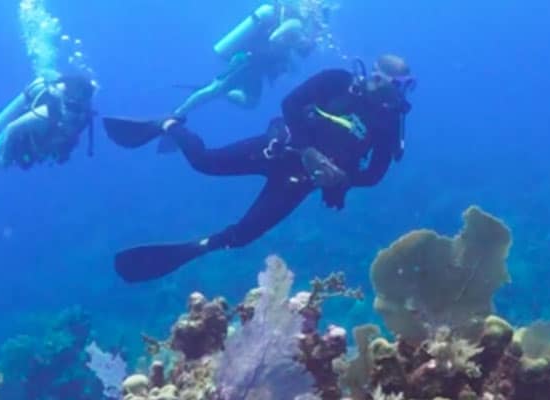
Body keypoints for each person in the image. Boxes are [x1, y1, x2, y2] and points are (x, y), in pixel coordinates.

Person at [103, 54, 416, 282]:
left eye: (407, 87)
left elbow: (374, 175)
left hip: (299, 182)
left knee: (243, 236)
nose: (402, 95)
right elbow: (290, 104)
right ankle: (169, 125)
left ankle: (198, 247)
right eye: (399, 85)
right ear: (376, 77)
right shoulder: (336, 81)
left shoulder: (388, 123)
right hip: (277, 150)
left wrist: (344, 179)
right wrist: (308, 151)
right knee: (204, 163)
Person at [0, 72, 97, 198]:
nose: (72, 114)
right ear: (64, 102)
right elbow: (11, 128)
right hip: (17, 135)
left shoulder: (83, 115)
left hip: (36, 138)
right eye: (70, 108)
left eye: (77, 110)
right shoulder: (46, 113)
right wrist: (4, 156)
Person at [171, 0, 334, 117]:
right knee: (214, 90)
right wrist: (295, 44)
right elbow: (274, 39)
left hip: (258, 67)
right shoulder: (296, 23)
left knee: (250, 102)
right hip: (249, 60)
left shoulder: (300, 26)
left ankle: (220, 92)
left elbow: (284, 48)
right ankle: (177, 114)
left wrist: (289, 60)